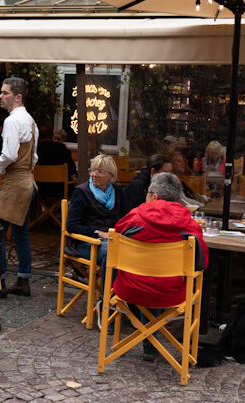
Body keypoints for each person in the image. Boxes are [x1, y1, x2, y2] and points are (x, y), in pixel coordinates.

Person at [114, 172, 208, 360]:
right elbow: (201, 263)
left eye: (147, 193)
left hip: (130, 288)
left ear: (154, 196)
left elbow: (117, 240)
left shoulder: (135, 216)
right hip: (171, 292)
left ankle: (146, 340)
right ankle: (154, 339)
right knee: (161, 279)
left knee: (147, 276)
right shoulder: (189, 224)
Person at [0, 77, 38, 296]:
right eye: (1, 92)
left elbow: (9, 155)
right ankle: (23, 281)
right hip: (29, 182)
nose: (0, 96)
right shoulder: (31, 121)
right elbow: (33, 158)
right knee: (20, 233)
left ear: (18, 97)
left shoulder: (12, 121)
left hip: (15, 185)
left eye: (5, 93)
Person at [66, 154, 127, 285]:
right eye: (93, 170)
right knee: (112, 253)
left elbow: (125, 218)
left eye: (100, 171)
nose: (94, 174)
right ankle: (108, 296)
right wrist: (98, 233)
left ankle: (123, 294)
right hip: (85, 242)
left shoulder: (117, 191)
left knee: (133, 250)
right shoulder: (81, 192)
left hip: (112, 239)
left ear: (111, 176)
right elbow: (71, 226)